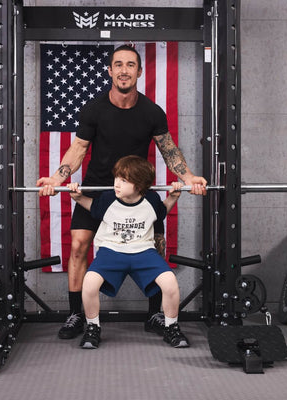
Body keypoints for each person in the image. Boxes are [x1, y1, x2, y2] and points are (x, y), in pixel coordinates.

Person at [37, 44, 207, 340]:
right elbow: (78, 150)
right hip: (98, 189)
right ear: (110, 71)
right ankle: (77, 314)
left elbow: (169, 150)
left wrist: (189, 177)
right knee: (78, 246)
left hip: (138, 191)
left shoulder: (152, 112)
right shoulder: (94, 109)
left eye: (130, 65)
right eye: (118, 64)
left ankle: (156, 314)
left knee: (155, 246)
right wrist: (56, 178)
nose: (124, 70)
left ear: (139, 72)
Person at [67, 155, 189, 349]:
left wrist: (173, 196)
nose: (116, 184)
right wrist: (77, 196)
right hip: (111, 251)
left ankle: (171, 328)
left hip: (143, 252)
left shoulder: (151, 199)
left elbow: (161, 211)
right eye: (116, 178)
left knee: (170, 283)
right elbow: (92, 207)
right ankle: (92, 328)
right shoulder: (107, 199)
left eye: (123, 181)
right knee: (89, 282)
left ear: (139, 185)